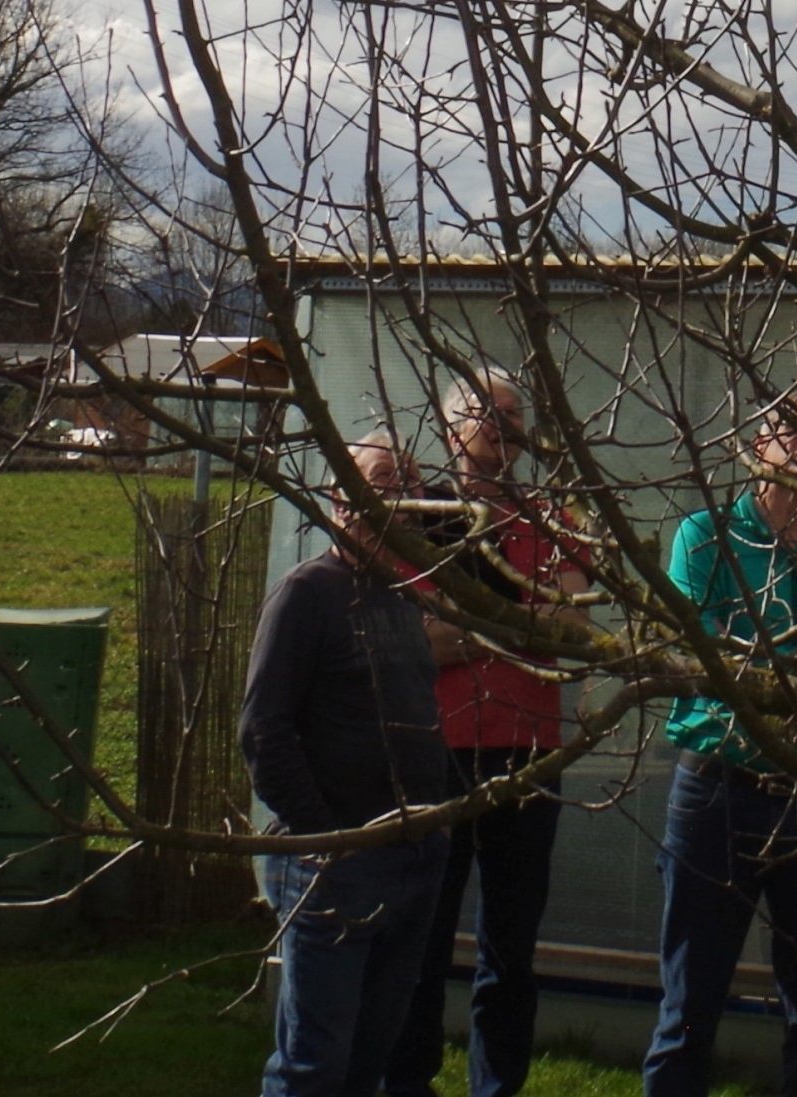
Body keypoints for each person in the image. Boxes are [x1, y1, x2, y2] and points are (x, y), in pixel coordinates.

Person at [643, 394, 797, 1097]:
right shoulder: (706, 536)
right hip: (718, 788)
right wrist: (793, 671)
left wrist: (794, 673)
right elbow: (692, 656)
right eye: (795, 431)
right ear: (759, 444)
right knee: (688, 1002)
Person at [391, 374, 583, 1097]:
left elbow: (574, 630)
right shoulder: (423, 519)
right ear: (448, 429)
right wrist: (516, 626)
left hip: (530, 751)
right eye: (484, 413)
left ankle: (496, 1086)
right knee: (423, 936)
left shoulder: (554, 520)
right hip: (438, 750)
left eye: (513, 414)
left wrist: (473, 624)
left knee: (512, 945)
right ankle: (406, 1079)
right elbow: (418, 642)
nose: (502, 425)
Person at [244, 437, 452, 1097]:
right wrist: (326, 837)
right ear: (340, 498)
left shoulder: (398, 595)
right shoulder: (307, 593)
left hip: (413, 855)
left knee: (370, 1058)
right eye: (382, 477)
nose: (400, 491)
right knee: (314, 1067)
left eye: (410, 479)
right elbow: (263, 730)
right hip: (337, 861)